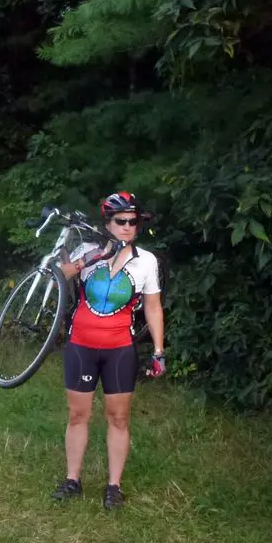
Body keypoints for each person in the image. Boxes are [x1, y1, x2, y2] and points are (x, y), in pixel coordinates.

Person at [51, 191, 166, 509]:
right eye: (121, 221)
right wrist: (93, 257)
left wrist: (158, 350)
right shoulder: (88, 250)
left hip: (119, 348)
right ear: (108, 223)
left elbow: (153, 308)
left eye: (133, 222)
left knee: (119, 418)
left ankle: (113, 486)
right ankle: (72, 480)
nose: (128, 227)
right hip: (81, 345)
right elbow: (59, 276)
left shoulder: (146, 262)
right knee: (78, 415)